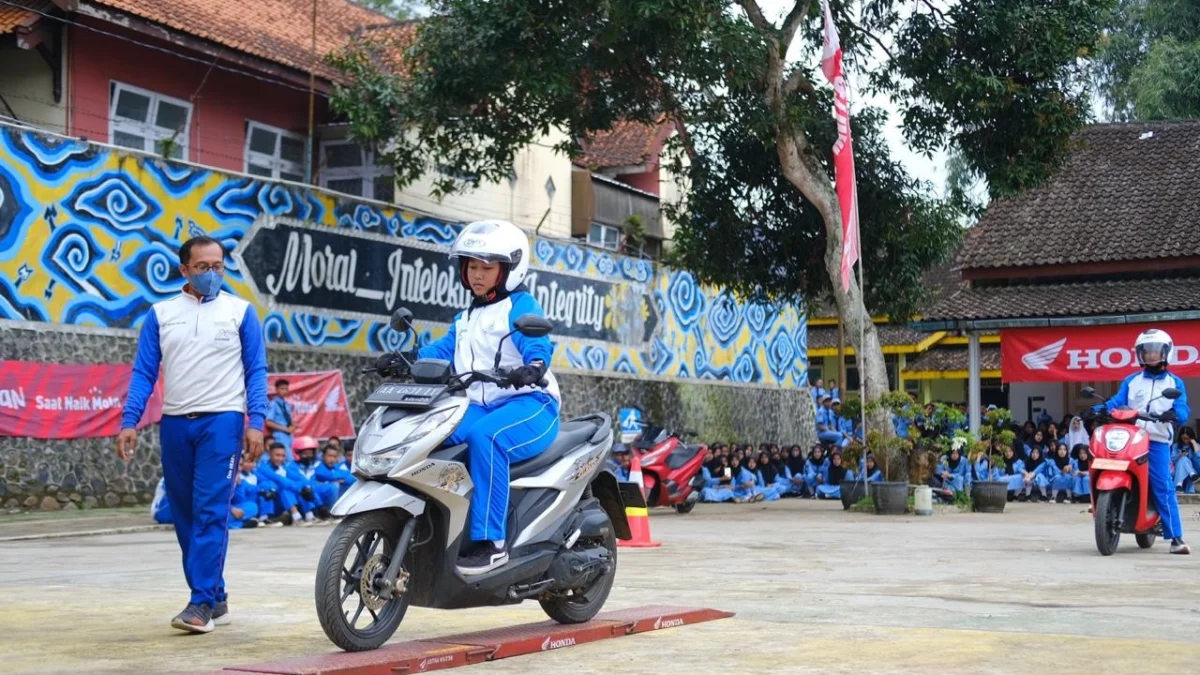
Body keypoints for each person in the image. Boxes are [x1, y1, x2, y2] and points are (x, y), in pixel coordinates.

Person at [384, 220, 561, 575]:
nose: (478, 275)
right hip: (478, 405)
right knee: (428, 434)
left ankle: (491, 542)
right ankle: (427, 526)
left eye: (487, 268)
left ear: (509, 270)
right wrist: (403, 358)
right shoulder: (466, 317)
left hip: (529, 404)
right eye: (472, 267)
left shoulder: (521, 306)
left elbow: (537, 342)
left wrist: (534, 365)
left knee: (487, 438)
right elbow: (442, 350)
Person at [117, 235, 267, 633]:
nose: (212, 274)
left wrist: (256, 423)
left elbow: (256, 371)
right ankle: (215, 594)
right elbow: (144, 373)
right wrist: (129, 421)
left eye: (218, 266)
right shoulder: (162, 313)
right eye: (203, 267)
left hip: (223, 422)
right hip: (176, 423)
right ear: (184, 270)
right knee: (183, 514)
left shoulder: (240, 311)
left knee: (209, 511)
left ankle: (199, 603)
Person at [1102, 329, 1191, 554]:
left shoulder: (1175, 382)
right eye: (1146, 351)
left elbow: (1182, 408)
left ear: (1166, 352)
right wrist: (1096, 409)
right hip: (1131, 437)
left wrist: (1174, 414)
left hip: (1157, 441)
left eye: (1155, 351)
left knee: (1163, 486)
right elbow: (1116, 401)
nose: (1150, 355)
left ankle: (1176, 538)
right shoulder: (1131, 380)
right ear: (1140, 354)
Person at [264, 379, 295, 455]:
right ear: (277, 390)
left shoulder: (287, 405)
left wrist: (292, 427)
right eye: (282, 389)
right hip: (279, 435)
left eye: (286, 389)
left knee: (293, 456)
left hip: (289, 435)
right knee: (286, 457)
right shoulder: (273, 404)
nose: (284, 391)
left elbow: (289, 419)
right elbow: (268, 422)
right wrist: (285, 429)